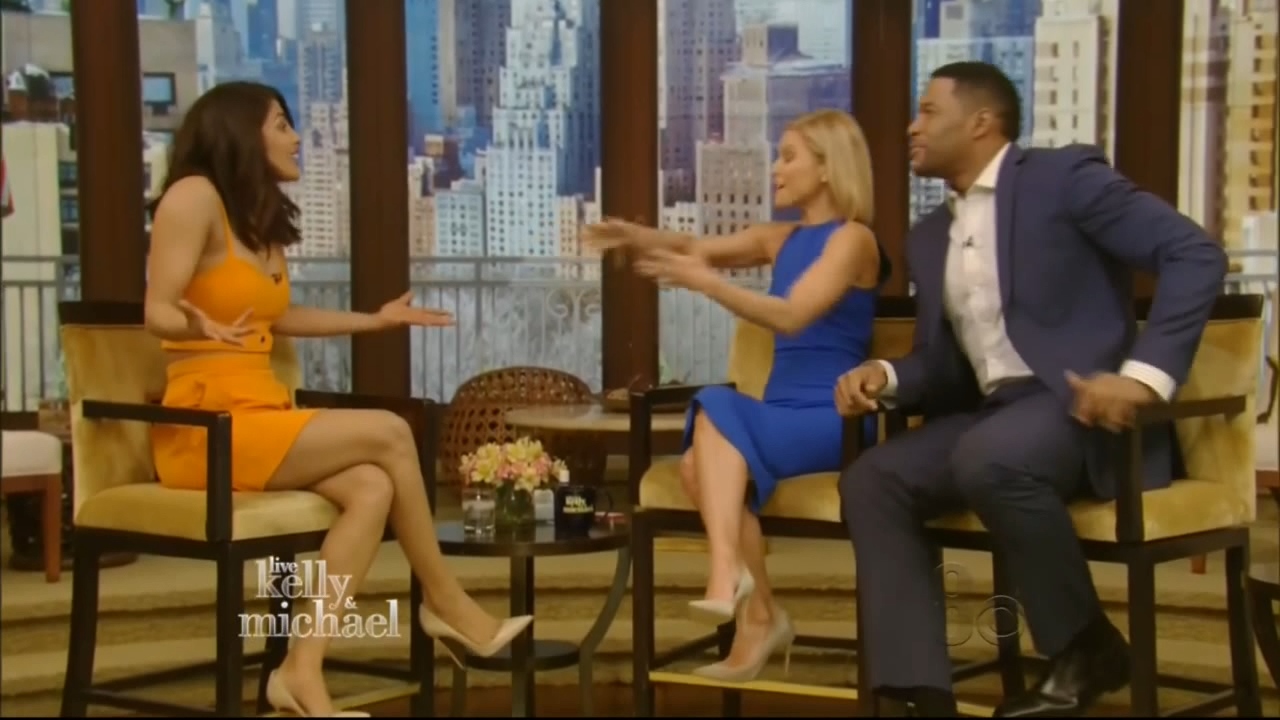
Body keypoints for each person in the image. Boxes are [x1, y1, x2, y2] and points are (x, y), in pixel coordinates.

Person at [834, 62, 1226, 717]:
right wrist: (891, 376)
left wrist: (1143, 379)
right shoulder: (929, 238)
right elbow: (946, 367)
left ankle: (1083, 646)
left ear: (981, 122)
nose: (910, 127)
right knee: (873, 479)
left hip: (1079, 406)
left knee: (989, 456)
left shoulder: (1063, 179)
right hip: (994, 416)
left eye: (928, 111)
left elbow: (1194, 254)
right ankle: (920, 693)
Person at [143, 81, 533, 718]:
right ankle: (444, 600)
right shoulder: (192, 197)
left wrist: (374, 321)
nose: (297, 137)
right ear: (239, 131)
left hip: (260, 413)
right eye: (281, 124)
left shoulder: (256, 221)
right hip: (205, 427)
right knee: (391, 430)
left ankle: (299, 671)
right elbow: (157, 309)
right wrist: (194, 324)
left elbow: (279, 315)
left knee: (372, 488)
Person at [585, 108, 889, 683]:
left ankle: (729, 578)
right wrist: (633, 235)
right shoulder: (781, 239)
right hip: (778, 415)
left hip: (835, 416)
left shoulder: (854, 239)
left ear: (829, 167)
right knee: (697, 466)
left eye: (789, 156)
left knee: (715, 405)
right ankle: (761, 611)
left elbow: (792, 315)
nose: (776, 168)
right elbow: (693, 245)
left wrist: (709, 286)